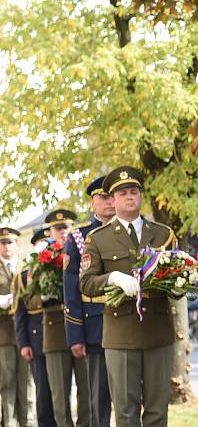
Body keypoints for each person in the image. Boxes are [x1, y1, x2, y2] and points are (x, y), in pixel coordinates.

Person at [79, 166, 177, 427]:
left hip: (158, 331)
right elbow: (86, 284)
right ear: (112, 200)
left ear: (141, 196)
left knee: (157, 412)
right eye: (122, 193)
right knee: (125, 414)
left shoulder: (163, 234)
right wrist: (113, 278)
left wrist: (181, 286)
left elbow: (179, 275)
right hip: (120, 335)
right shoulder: (98, 239)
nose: (129, 196)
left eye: (134, 191)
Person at [63, 176, 115, 427]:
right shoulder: (78, 238)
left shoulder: (132, 232)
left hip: (131, 322)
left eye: (112, 196)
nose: (110, 202)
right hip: (96, 328)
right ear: (93, 202)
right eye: (103, 197)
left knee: (130, 399)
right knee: (99, 400)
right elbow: (71, 290)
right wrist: (75, 334)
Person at [41, 209, 90, 427]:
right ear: (50, 231)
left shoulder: (84, 249)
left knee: (87, 390)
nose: (63, 231)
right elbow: (32, 299)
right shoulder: (40, 260)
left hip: (81, 327)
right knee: (60, 396)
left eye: (67, 227)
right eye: (58, 228)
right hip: (55, 331)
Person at [13, 229, 57, 427]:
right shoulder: (23, 277)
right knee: (43, 392)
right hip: (37, 339)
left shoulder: (61, 270)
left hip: (62, 336)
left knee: (64, 391)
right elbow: (19, 312)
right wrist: (23, 343)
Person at [0, 227, 34, 427]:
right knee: (7, 381)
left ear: (17, 244)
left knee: (27, 381)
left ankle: (28, 421)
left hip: (26, 333)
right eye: (3, 243)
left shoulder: (27, 266)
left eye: (10, 242)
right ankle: (10, 422)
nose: (7, 246)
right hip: (3, 333)